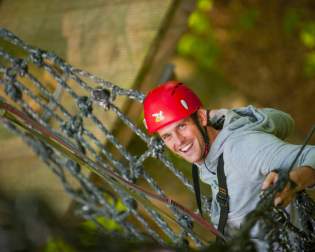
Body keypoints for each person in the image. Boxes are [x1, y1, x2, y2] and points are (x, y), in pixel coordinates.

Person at [143, 80, 315, 250]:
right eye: (167, 136)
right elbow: (285, 121)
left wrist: (291, 181)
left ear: (201, 117)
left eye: (182, 126)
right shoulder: (207, 153)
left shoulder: (241, 148)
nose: (179, 141)